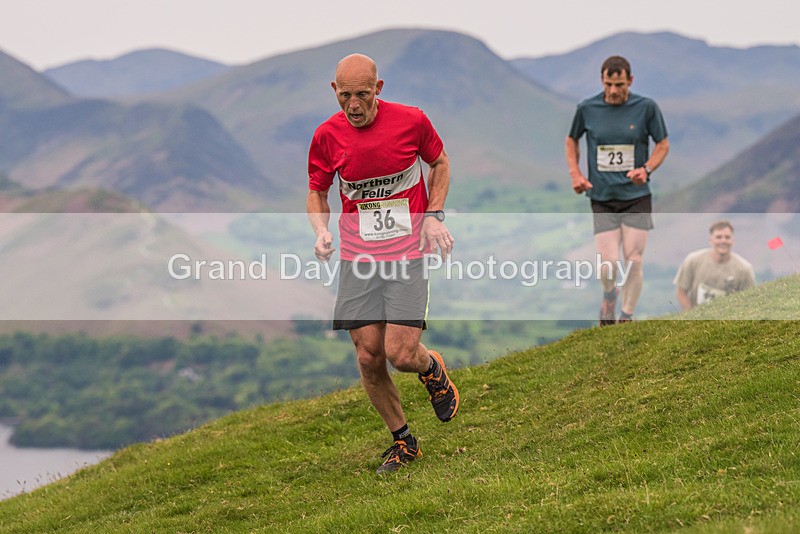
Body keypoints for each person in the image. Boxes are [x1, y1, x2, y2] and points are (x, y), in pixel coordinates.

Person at [306, 54, 460, 474]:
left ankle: (431, 368)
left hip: (408, 254)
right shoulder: (326, 136)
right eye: (346, 96)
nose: (354, 105)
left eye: (363, 94)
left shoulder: (412, 121)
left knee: (400, 353)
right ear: (334, 91)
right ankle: (404, 441)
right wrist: (321, 230)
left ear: (379, 88)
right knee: (368, 357)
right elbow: (317, 191)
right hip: (358, 258)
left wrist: (433, 214)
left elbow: (440, 163)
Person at [565, 55, 670, 325]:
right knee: (609, 263)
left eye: (620, 84)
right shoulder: (587, 108)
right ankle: (610, 295)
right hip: (602, 197)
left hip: (636, 196)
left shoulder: (646, 108)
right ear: (602, 81)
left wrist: (646, 170)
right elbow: (571, 140)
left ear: (630, 81)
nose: (613, 90)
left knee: (634, 259)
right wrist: (576, 174)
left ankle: (626, 316)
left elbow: (662, 144)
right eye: (609, 84)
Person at [674, 220, 756, 309]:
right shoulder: (693, 260)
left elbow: (749, 301)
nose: (723, 241)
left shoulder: (744, 269)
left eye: (727, 237)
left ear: (733, 240)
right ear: (711, 240)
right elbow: (681, 292)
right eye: (718, 237)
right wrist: (692, 317)